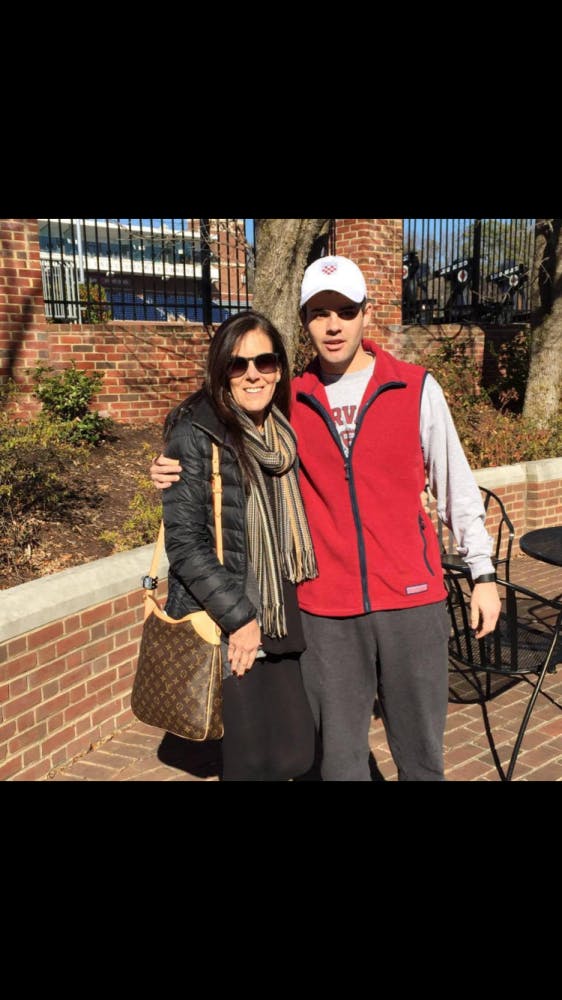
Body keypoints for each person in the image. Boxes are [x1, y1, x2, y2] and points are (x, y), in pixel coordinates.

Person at [151, 255, 501, 781]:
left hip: (412, 600)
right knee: (337, 764)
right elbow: (219, 408)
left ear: (366, 313)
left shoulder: (414, 387)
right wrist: (169, 459)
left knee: (422, 758)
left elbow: (456, 488)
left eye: (345, 310)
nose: (333, 324)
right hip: (326, 610)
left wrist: (483, 573)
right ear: (305, 321)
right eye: (319, 312)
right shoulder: (289, 398)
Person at [159, 310, 317, 781]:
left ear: (280, 368)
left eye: (264, 362)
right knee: (252, 764)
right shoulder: (196, 433)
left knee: (294, 753)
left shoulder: (283, 432)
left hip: (285, 612)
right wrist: (240, 618)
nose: (253, 374)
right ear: (220, 369)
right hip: (237, 622)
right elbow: (184, 545)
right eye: (238, 363)